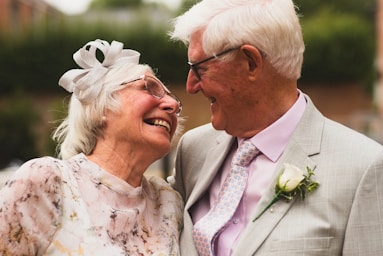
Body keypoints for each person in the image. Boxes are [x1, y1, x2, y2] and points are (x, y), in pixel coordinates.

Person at [168, 0, 383, 255]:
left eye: (199, 68)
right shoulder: (193, 150)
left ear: (250, 62)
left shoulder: (364, 167)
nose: (191, 85)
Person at [0, 39, 183, 255]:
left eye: (173, 98)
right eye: (149, 88)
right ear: (101, 107)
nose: (171, 105)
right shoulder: (47, 182)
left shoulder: (168, 202)